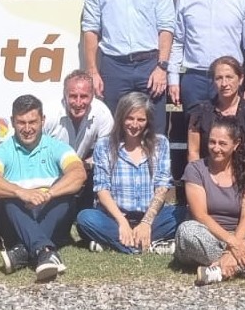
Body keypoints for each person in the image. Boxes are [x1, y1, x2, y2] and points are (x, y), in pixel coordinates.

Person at [80, 0, 175, 134]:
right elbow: (91, 29)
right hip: (114, 66)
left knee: (155, 131)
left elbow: (166, 26)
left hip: (150, 65)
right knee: (112, 130)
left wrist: (162, 67)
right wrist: (93, 71)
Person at [0, 95, 85, 281]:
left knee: (64, 198)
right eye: (21, 122)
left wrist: (49, 194)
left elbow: (78, 174)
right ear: (12, 121)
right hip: (18, 215)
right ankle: (45, 251)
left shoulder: (57, 147)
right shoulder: (2, 150)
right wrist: (20, 192)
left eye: (33, 122)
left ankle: (23, 251)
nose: (27, 128)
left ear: (43, 120)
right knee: (8, 200)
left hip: (49, 210)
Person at [176, 116, 245, 285]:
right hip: (208, 235)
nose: (216, 148)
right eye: (212, 142)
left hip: (240, 235)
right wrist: (233, 243)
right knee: (187, 231)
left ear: (236, 144)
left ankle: (220, 269)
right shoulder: (195, 169)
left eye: (222, 143)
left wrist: (233, 247)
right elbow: (200, 215)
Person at [75, 92, 184, 254]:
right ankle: (147, 245)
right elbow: (102, 189)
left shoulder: (160, 143)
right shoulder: (104, 145)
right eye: (130, 118)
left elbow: (162, 187)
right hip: (115, 217)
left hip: (151, 217)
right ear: (121, 118)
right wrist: (122, 222)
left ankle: (119, 243)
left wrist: (146, 223)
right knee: (85, 218)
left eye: (141, 120)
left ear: (148, 121)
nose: (134, 124)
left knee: (182, 213)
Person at [43, 70, 114, 207]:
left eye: (84, 96)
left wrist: (85, 164)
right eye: (73, 96)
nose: (78, 102)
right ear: (64, 95)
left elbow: (107, 152)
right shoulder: (48, 113)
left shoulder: (102, 113)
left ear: (92, 96)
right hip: (49, 170)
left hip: (83, 169)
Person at [186, 56, 245, 161]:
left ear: (241, 79)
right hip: (208, 170)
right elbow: (193, 153)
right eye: (219, 78)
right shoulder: (200, 113)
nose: (224, 83)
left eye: (229, 77)